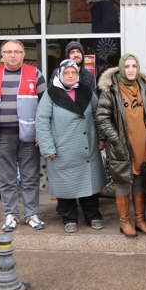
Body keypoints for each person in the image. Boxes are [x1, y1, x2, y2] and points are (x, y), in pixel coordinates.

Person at [0, 39, 47, 232]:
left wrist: (43, 132)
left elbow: (45, 106)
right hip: (1, 137)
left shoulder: (35, 75)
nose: (12, 55)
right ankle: (11, 215)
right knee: (6, 179)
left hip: (30, 137)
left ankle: (31, 214)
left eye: (17, 51)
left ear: (24, 55)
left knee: (30, 178)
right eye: (8, 52)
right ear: (2, 55)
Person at [36, 59, 107, 233]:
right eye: (66, 72)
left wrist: (101, 137)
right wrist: (48, 147)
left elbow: (99, 115)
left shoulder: (86, 91)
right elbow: (42, 121)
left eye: (73, 72)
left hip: (87, 147)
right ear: (60, 74)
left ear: (77, 74)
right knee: (65, 186)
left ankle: (93, 215)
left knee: (89, 185)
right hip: (62, 149)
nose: (70, 76)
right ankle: (69, 218)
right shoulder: (50, 93)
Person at [97, 53, 146, 237]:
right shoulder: (111, 89)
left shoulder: (144, 87)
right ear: (121, 68)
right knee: (124, 182)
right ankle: (124, 222)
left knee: (139, 182)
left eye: (134, 66)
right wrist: (116, 139)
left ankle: (139, 220)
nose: (131, 70)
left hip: (142, 143)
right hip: (122, 144)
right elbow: (102, 119)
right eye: (128, 66)